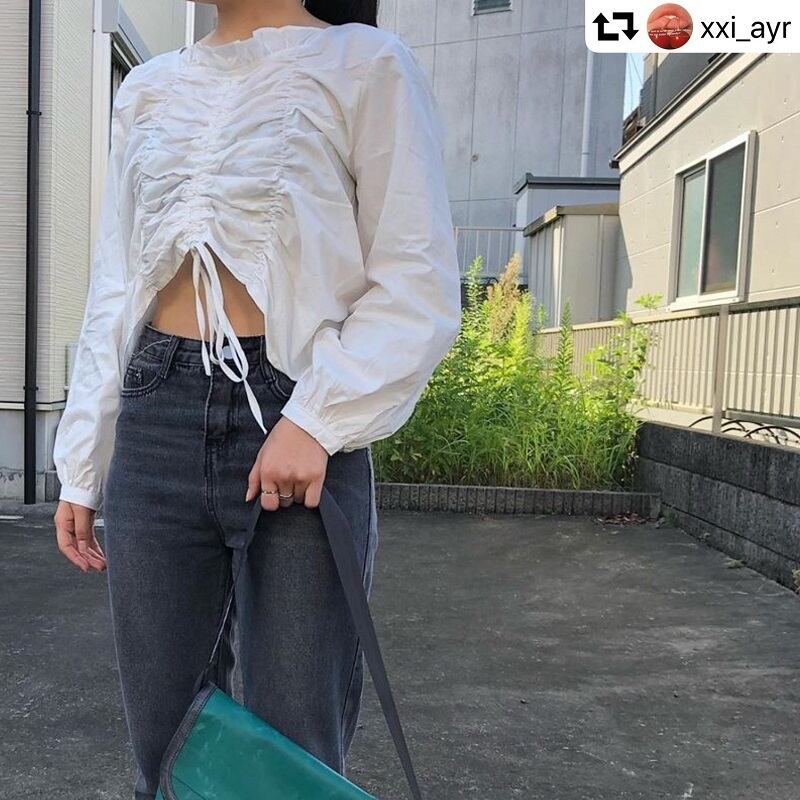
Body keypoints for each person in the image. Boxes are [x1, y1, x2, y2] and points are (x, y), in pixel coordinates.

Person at [51, 0, 461, 797]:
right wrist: (84, 457)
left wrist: (316, 418)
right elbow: (117, 282)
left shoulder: (366, 64)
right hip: (155, 416)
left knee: (294, 748)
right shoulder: (149, 88)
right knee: (166, 746)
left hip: (297, 412)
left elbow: (415, 277)